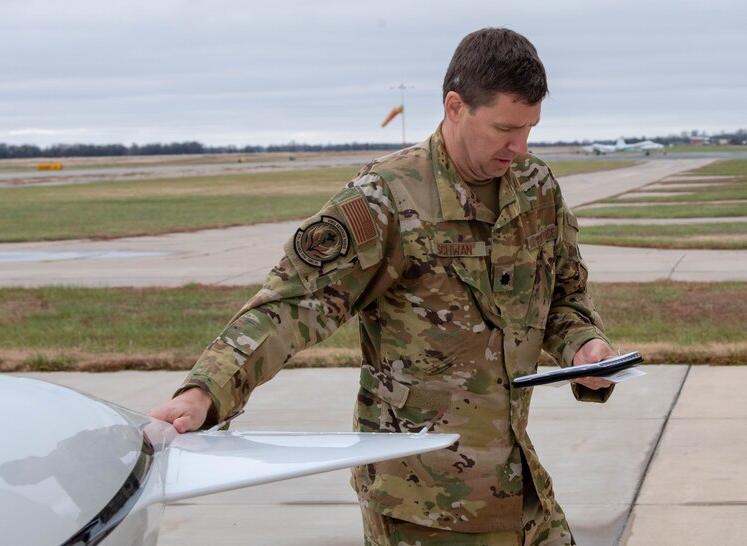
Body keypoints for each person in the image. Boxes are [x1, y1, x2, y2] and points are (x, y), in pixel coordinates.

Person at [150, 27, 616, 546]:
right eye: (505, 128)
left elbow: (563, 299)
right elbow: (291, 306)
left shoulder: (536, 189)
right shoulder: (386, 199)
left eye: (530, 128)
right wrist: (204, 392)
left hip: (521, 491)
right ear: (455, 106)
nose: (520, 146)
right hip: (422, 507)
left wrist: (585, 347)